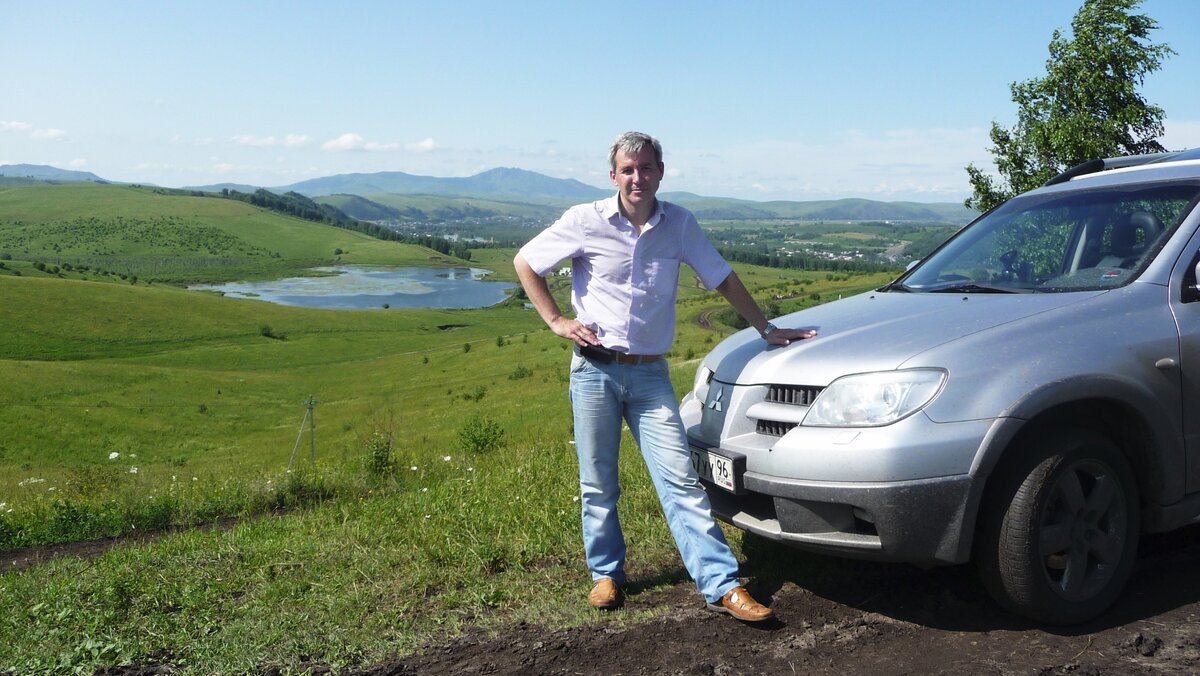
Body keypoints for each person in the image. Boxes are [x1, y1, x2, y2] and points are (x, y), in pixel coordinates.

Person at [513, 131, 816, 622]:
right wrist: (556, 322)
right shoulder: (584, 221)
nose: (638, 177)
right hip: (594, 370)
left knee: (680, 480)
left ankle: (721, 584)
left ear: (660, 172)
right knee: (598, 483)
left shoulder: (679, 224)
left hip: (649, 375)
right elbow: (526, 262)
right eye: (628, 170)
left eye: (647, 168)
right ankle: (606, 574)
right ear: (613, 176)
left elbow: (721, 276)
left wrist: (766, 328)